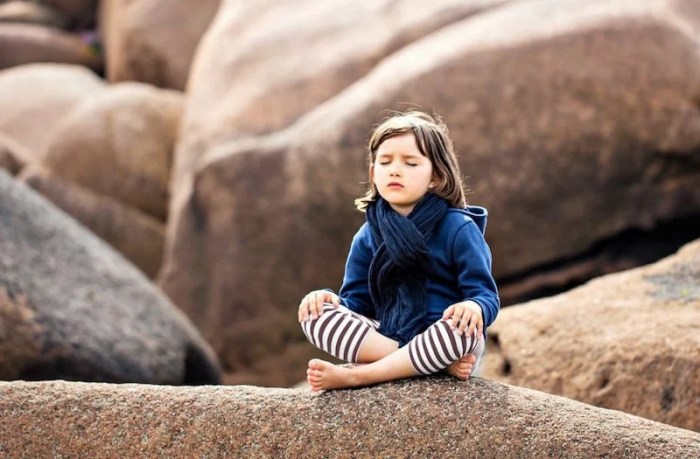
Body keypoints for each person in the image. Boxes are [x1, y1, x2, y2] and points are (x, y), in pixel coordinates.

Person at [298, 110, 499, 391]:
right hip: (393, 334)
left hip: (444, 336)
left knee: (462, 333)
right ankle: (429, 365)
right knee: (315, 315)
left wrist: (473, 306)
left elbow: (485, 295)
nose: (395, 170)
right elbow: (357, 303)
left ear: (436, 177)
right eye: (385, 162)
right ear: (373, 173)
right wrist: (330, 300)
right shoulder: (368, 235)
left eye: (411, 163)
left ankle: (360, 375)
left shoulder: (458, 227)